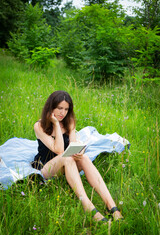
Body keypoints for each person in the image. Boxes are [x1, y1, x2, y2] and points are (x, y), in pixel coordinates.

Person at [31, 90, 123, 222]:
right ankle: (89, 207)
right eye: (59, 108)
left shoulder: (69, 121)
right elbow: (59, 150)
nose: (63, 113)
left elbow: (73, 144)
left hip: (67, 164)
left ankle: (112, 207)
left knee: (84, 158)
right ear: (51, 107)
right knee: (66, 157)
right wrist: (56, 124)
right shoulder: (39, 125)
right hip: (47, 167)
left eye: (66, 109)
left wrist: (79, 151)